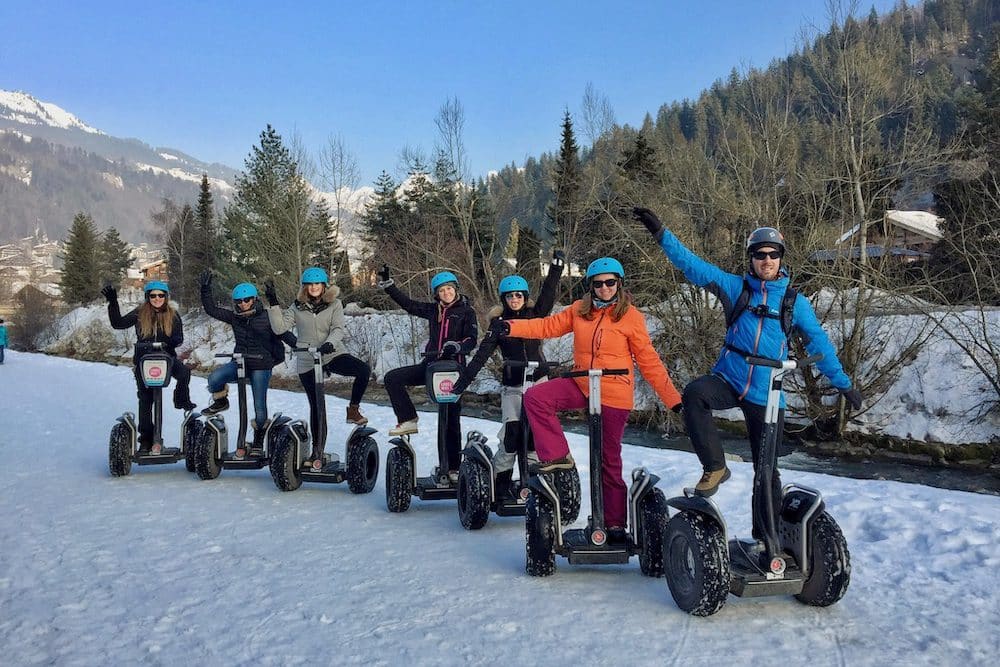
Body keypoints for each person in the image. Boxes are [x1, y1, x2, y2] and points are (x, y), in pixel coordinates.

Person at [632, 207, 863, 522]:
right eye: (759, 254)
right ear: (751, 259)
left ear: (781, 258)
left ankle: (769, 538)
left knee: (766, 472)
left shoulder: (794, 303)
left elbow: (819, 344)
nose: (766, 260)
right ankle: (715, 466)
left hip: (767, 393)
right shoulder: (735, 288)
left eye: (773, 254)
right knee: (695, 393)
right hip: (728, 379)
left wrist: (843, 384)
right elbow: (692, 265)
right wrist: (661, 234)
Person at [492, 257, 682, 542]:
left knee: (608, 460)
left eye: (610, 283)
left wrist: (673, 400)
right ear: (590, 286)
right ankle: (557, 456)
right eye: (598, 284)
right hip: (582, 384)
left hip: (614, 391)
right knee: (535, 397)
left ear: (619, 284)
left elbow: (649, 361)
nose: (604, 288)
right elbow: (545, 327)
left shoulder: (631, 317)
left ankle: (615, 525)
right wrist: (511, 328)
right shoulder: (579, 311)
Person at [451, 250, 565, 497]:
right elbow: (481, 356)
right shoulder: (498, 325)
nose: (515, 299)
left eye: (519, 295)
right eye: (510, 296)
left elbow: (547, 295)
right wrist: (461, 384)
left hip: (538, 383)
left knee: (535, 438)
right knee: (511, 437)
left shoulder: (536, 316)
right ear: (503, 299)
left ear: (525, 297)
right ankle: (499, 488)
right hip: (513, 386)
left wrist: (556, 268)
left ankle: (536, 487)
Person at [377, 265, 478, 483]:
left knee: (450, 420)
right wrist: (389, 286)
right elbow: (409, 305)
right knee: (393, 378)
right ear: (436, 294)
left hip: (453, 372)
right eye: (442, 291)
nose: (446, 293)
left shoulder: (466, 311)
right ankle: (408, 418)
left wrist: (457, 347)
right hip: (431, 367)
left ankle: (452, 468)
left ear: (456, 289)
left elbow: (472, 340)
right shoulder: (434, 310)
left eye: (449, 289)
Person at [265, 267, 371, 471]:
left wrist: (330, 343)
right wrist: (273, 303)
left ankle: (353, 409)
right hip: (307, 358)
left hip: (331, 353)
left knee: (363, 371)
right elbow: (279, 328)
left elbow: (338, 328)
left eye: (318, 284)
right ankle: (317, 450)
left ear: (324, 286)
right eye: (310, 284)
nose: (314, 287)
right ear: (305, 287)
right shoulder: (297, 307)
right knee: (317, 405)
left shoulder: (335, 304)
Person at [199, 271, 289, 459]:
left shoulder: (266, 317)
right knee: (214, 378)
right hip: (240, 362)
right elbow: (211, 310)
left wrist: (274, 360)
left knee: (259, 405)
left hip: (261, 365)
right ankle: (221, 400)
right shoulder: (234, 317)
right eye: (239, 301)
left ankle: (258, 439)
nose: (243, 304)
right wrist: (205, 289)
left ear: (254, 299)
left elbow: (281, 336)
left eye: (247, 300)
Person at [102, 280, 196, 454]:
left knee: (183, 373)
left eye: (160, 295)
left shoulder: (173, 314)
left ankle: (181, 399)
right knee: (146, 399)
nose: (157, 298)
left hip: (166, 358)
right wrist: (113, 302)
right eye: (153, 295)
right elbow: (118, 323)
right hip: (144, 360)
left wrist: (169, 342)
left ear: (166, 297)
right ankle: (146, 439)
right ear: (148, 297)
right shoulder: (140, 313)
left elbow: (179, 337)